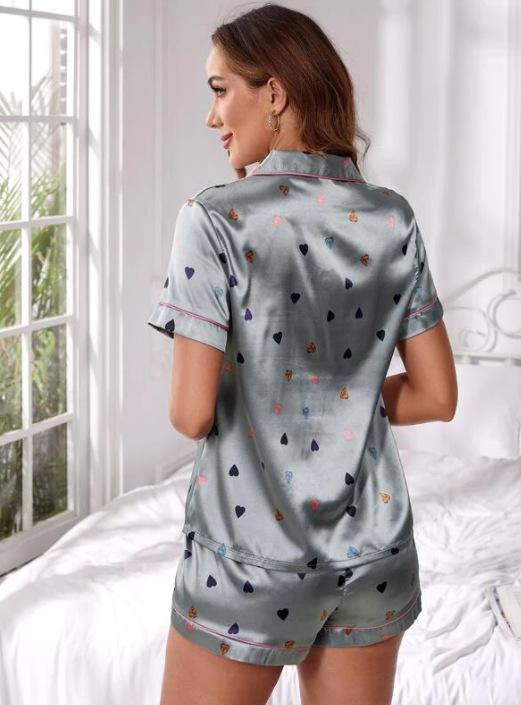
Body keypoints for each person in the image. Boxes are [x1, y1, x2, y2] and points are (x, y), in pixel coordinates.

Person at [148, 4, 458, 704]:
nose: (211, 116)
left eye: (220, 90)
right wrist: (338, 399)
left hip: (248, 560)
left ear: (275, 93)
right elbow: (437, 396)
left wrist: (279, 392)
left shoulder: (213, 218)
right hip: (373, 556)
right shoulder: (392, 217)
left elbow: (191, 415)